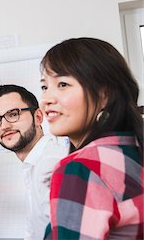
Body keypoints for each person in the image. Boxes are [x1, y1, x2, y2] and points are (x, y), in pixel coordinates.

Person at [40, 37, 143, 239]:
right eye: (44, 87)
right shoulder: (133, 151)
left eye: (62, 84)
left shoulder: (82, 168)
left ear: (104, 95)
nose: (46, 100)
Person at [0, 85, 68, 240]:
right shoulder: (33, 164)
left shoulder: (51, 164)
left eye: (13, 114)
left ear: (38, 117)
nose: (4, 126)